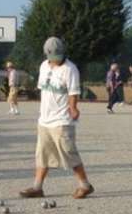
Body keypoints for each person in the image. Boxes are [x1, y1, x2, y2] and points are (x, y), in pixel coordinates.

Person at [19, 37, 94, 199]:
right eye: (53, 56)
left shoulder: (70, 69)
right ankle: (37, 187)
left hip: (62, 120)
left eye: (59, 56)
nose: (56, 59)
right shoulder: (44, 66)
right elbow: (44, 90)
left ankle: (85, 185)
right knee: (42, 154)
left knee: (69, 153)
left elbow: (74, 92)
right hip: (44, 120)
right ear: (46, 54)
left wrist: (73, 108)